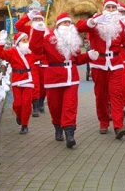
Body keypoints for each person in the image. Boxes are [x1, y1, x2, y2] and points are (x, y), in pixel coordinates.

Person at [29, 13, 90, 148]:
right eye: (64, 23)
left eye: (69, 23)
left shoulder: (74, 40)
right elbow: (35, 49)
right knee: (55, 106)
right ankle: (57, 127)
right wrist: (38, 31)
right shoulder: (49, 38)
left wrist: (88, 56)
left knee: (70, 105)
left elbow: (77, 60)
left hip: (71, 78)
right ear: (58, 25)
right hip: (54, 78)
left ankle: (70, 134)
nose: (67, 25)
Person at [76, 0, 125, 139]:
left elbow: (124, 42)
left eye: (113, 7)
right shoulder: (96, 23)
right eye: (108, 7)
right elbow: (79, 27)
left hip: (116, 64)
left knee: (116, 94)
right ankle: (104, 121)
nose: (111, 10)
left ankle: (118, 125)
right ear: (104, 9)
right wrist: (92, 22)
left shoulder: (121, 25)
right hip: (99, 64)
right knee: (101, 95)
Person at [0, 30, 37, 134]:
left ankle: (24, 125)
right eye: (24, 40)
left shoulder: (31, 51)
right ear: (18, 42)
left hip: (29, 79)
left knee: (26, 103)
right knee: (17, 104)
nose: (26, 42)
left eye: (27, 40)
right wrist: (1, 42)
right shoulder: (12, 52)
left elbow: (41, 51)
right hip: (17, 80)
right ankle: (19, 115)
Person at [15, 7, 48, 117]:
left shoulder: (47, 31)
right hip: (32, 60)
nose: (38, 22)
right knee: (35, 84)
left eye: (40, 19)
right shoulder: (28, 30)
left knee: (44, 85)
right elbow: (18, 25)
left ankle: (41, 101)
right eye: (36, 19)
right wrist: (28, 16)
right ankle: (35, 106)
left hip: (44, 61)